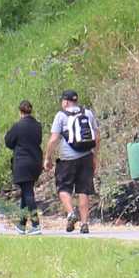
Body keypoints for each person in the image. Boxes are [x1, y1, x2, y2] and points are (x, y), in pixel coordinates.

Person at [49, 89, 101, 233]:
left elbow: (54, 139)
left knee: (63, 188)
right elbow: (97, 137)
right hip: (86, 157)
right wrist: (95, 156)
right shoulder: (88, 113)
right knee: (84, 190)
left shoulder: (61, 115)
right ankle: (84, 224)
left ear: (65, 102)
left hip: (67, 159)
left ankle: (71, 213)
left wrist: (47, 157)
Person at [3, 99, 46, 231]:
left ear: (20, 112)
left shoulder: (18, 126)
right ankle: (21, 224)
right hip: (35, 161)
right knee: (26, 192)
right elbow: (38, 140)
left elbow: (8, 141)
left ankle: (35, 224)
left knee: (28, 193)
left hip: (22, 162)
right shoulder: (38, 126)